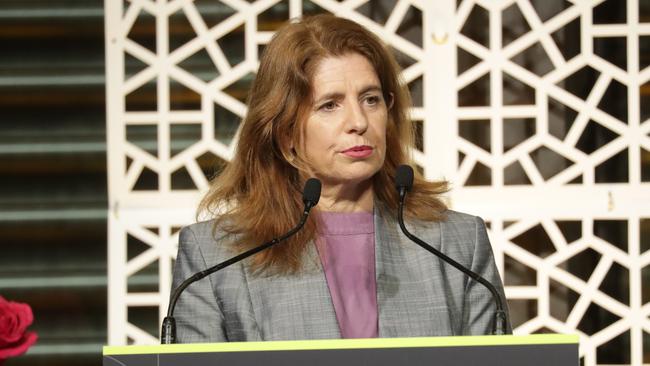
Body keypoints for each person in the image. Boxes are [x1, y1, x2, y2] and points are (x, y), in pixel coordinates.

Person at [171, 14, 510, 343]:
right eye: (330, 105)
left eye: (371, 99)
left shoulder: (458, 245)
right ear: (285, 131)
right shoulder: (214, 259)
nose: (359, 121)